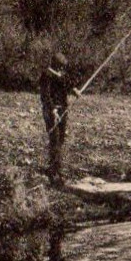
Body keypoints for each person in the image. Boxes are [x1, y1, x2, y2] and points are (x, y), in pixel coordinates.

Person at [38, 52, 79, 185]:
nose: (62, 68)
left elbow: (67, 85)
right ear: (55, 64)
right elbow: (45, 95)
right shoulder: (47, 75)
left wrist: (74, 90)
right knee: (54, 139)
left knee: (60, 139)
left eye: (63, 66)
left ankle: (55, 166)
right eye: (60, 66)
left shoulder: (61, 75)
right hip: (51, 110)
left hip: (63, 109)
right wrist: (52, 109)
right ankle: (55, 172)